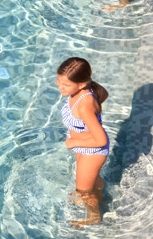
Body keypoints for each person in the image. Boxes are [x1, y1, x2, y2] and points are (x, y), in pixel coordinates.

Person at [56, 57, 109, 227]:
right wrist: (76, 141)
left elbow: (101, 140)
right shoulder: (76, 93)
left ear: (81, 84)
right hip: (82, 145)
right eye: (58, 80)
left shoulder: (85, 104)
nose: (60, 86)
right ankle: (100, 191)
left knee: (83, 191)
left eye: (65, 84)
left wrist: (73, 141)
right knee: (90, 182)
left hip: (92, 151)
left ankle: (94, 217)